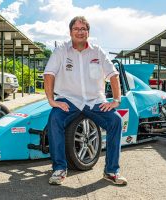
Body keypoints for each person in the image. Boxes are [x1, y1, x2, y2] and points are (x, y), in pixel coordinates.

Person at [44, 16, 127, 186]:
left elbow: (113, 75)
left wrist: (116, 100)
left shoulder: (97, 51)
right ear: (70, 32)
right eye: (76, 29)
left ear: (88, 32)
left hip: (94, 101)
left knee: (115, 120)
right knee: (54, 119)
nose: (80, 32)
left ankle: (111, 171)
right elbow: (49, 74)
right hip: (69, 100)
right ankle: (59, 169)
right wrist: (52, 100)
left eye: (83, 29)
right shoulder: (61, 51)